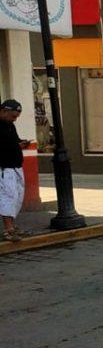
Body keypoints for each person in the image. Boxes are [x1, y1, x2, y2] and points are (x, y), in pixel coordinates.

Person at [0, 100, 29, 242]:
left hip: (16, 165)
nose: (15, 119)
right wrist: (15, 146)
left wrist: (21, 143)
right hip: (4, 167)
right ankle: (8, 228)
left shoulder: (10, 125)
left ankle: (12, 225)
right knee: (8, 196)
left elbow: (14, 141)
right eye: (13, 116)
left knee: (17, 196)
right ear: (4, 111)